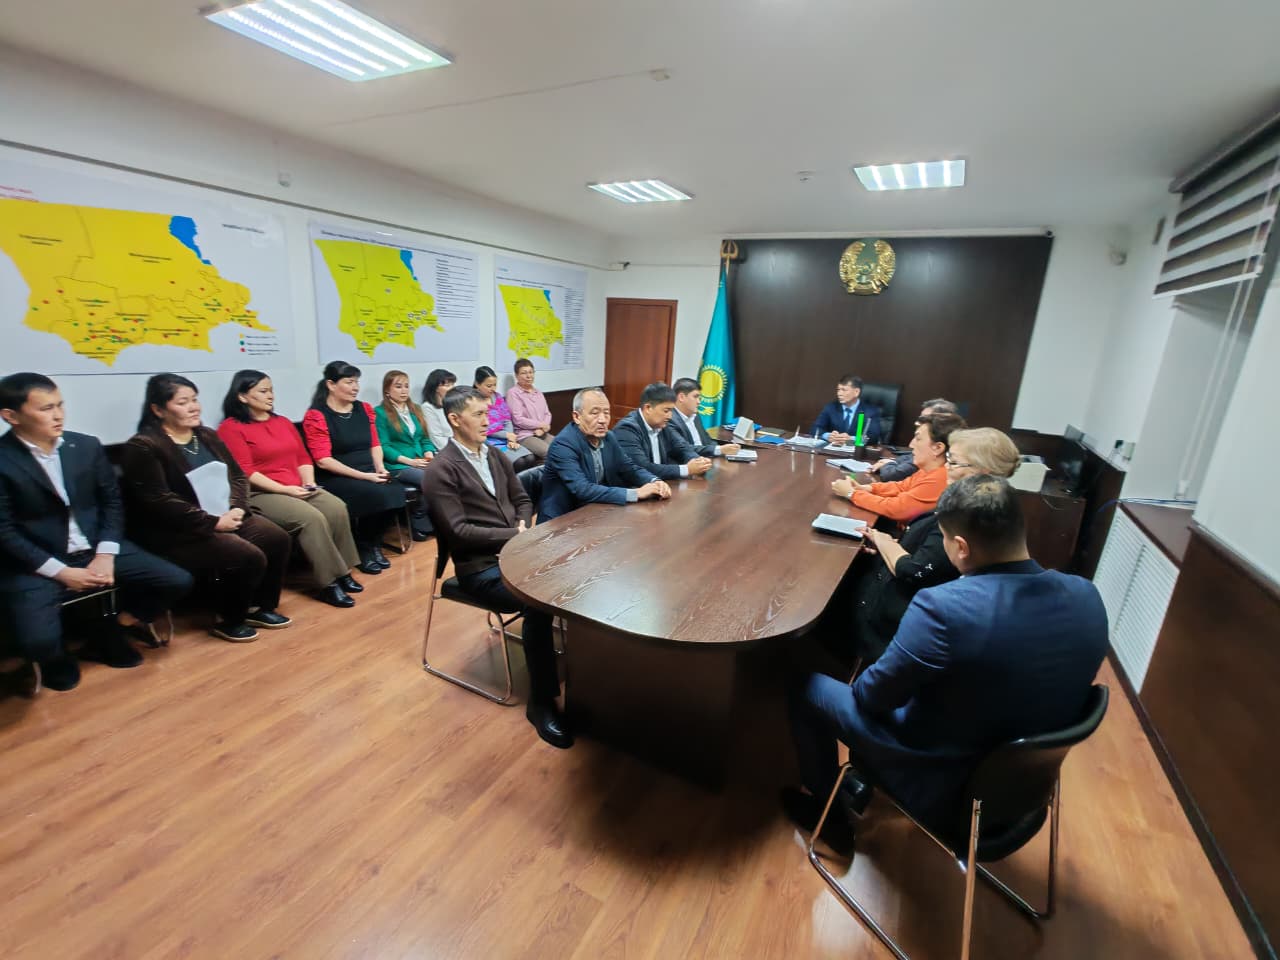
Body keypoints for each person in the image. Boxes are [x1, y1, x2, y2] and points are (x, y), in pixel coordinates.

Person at [785, 475, 1110, 853]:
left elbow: (870, 698)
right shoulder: (1087, 596)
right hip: (1022, 790)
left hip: (945, 787)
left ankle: (831, 820)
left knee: (807, 688)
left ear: (960, 546)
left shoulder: (944, 608)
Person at [0, 373, 192, 691]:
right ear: (11, 416)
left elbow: (111, 503)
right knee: (38, 643)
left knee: (177, 580)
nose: (59, 415)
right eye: (46, 409)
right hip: (38, 559)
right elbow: (4, 532)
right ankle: (56, 656)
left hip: (94, 545)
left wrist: (105, 553)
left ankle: (111, 627)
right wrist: (61, 572)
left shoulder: (84, 446)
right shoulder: (4, 459)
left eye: (60, 405)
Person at [422, 387, 570, 748]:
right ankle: (541, 702)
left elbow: (522, 498)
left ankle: (586, 666)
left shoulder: (493, 455)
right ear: (454, 420)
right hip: (479, 568)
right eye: (478, 414)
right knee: (538, 601)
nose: (487, 420)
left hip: (516, 551)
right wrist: (512, 535)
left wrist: (520, 525)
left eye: (487, 413)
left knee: (569, 571)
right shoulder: (441, 470)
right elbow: (458, 532)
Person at [119, 374, 292, 643]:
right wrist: (212, 522)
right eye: (183, 402)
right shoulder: (144, 445)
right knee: (246, 555)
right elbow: (158, 500)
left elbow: (237, 476)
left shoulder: (207, 435)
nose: (193, 407)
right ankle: (230, 620)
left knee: (276, 538)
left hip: (225, 513)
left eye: (195, 400)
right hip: (180, 530)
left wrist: (237, 507)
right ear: (158, 409)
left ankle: (260, 607)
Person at [846, 427, 1021, 665]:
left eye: (954, 462)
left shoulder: (967, 518)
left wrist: (884, 542)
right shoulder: (964, 503)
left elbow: (915, 570)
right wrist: (886, 545)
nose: (946, 467)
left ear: (982, 473)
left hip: (893, 629)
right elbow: (929, 554)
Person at [217, 370, 364, 609]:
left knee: (336, 507)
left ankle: (343, 571)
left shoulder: (282, 422)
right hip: (261, 493)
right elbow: (246, 472)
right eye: (263, 391)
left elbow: (302, 457)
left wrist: (308, 483)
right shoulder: (231, 428)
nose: (270, 396)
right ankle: (327, 583)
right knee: (311, 518)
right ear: (242, 396)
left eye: (271, 390)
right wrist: (285, 490)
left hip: (296, 486)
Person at [302, 361, 407, 574]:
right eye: (349, 382)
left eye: (356, 382)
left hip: (368, 470)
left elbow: (374, 443)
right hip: (337, 475)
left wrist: (379, 468)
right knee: (375, 494)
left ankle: (372, 542)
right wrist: (364, 476)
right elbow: (323, 460)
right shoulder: (317, 415)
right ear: (331, 385)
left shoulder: (364, 409)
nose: (355, 387)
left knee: (396, 491)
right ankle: (364, 547)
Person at [539, 387, 672, 522]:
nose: (602, 420)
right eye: (595, 413)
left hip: (596, 512)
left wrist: (654, 481)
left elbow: (629, 468)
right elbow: (582, 489)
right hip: (562, 520)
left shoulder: (609, 437)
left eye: (606, 413)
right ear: (577, 417)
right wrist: (636, 493)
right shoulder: (563, 444)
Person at [831, 413, 965, 522]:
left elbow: (897, 509)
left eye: (918, 439)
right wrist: (867, 488)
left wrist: (852, 494)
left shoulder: (941, 477)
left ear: (937, 448)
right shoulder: (928, 470)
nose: (911, 445)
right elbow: (901, 487)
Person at [374, 370, 435, 540]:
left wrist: (429, 456)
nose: (404, 390)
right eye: (398, 386)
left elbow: (424, 438)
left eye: (406, 386)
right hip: (398, 464)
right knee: (431, 479)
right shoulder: (380, 413)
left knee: (447, 473)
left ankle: (437, 518)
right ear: (387, 390)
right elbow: (384, 446)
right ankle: (418, 519)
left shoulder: (415, 409)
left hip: (420, 460)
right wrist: (410, 462)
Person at [613, 382, 715, 481]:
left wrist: (698, 461)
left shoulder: (662, 424)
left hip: (662, 484)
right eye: (666, 411)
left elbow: (682, 448)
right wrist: (687, 469)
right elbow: (642, 468)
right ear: (648, 408)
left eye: (671, 411)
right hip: (636, 487)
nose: (670, 416)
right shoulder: (627, 429)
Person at [871, 398, 960, 481]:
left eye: (926, 419)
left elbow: (891, 475)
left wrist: (889, 463)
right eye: (921, 418)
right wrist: (892, 462)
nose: (918, 422)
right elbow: (909, 457)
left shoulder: (932, 458)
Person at [472, 365, 532, 469]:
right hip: (488, 441)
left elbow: (507, 420)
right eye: (489, 386)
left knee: (530, 458)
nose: (493, 389)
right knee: (519, 463)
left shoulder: (497, 396)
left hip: (506, 438)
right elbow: (482, 428)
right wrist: (506, 435)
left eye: (495, 385)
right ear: (477, 384)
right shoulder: (473, 401)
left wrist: (511, 438)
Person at [670, 377, 741, 458]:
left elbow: (707, 441)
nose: (699, 402)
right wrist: (719, 449)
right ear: (681, 397)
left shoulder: (695, 416)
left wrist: (725, 449)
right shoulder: (670, 419)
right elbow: (684, 449)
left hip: (705, 459)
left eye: (699, 398)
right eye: (695, 397)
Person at [505, 359, 557, 462]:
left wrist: (543, 429)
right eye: (524, 373)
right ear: (516, 376)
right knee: (549, 452)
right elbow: (518, 419)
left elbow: (547, 414)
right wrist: (541, 425)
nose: (528, 376)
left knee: (563, 447)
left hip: (542, 432)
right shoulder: (513, 393)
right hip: (525, 436)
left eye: (531, 372)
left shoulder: (538, 392)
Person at [812, 375, 883, 446]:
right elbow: (815, 429)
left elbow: (874, 437)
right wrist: (828, 436)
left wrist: (851, 439)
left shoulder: (870, 411)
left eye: (844, 390)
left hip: (857, 451)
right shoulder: (831, 407)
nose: (839, 394)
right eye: (838, 390)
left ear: (856, 392)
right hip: (833, 449)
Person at [420, 368, 457, 452]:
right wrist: (457, 451)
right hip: (446, 451)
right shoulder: (428, 407)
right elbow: (436, 437)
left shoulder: (453, 404)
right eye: (447, 385)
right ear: (436, 388)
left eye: (452, 384)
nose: (452, 388)